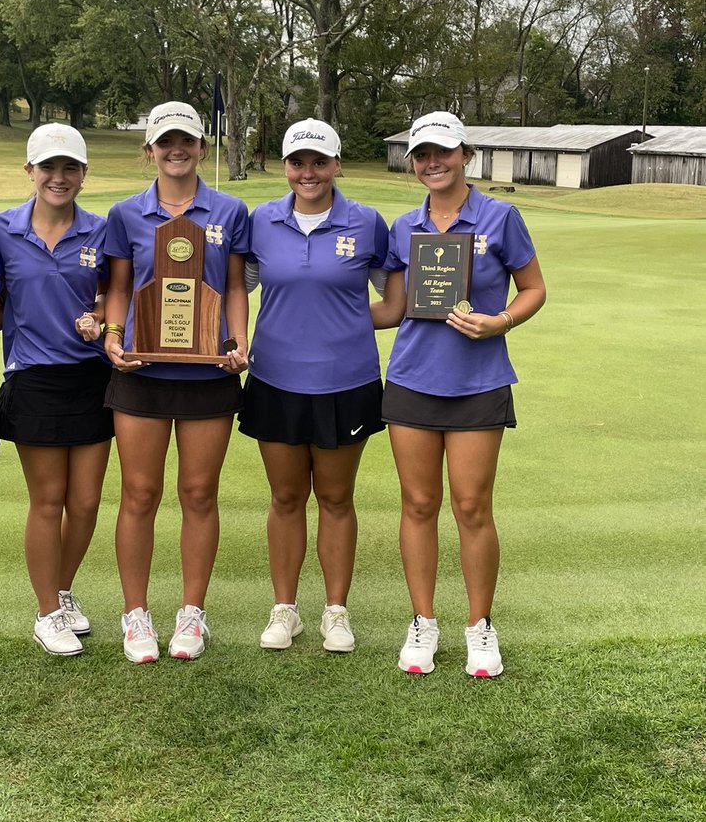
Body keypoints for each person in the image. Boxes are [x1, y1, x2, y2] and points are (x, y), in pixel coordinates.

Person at [372, 111, 546, 677]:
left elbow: (534, 288)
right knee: (419, 504)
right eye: (421, 154)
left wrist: (503, 322)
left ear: (464, 154)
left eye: (442, 152)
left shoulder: (500, 215)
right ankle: (423, 622)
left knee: (472, 507)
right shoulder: (403, 228)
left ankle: (480, 626)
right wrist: (321, 309)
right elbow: (394, 308)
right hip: (412, 380)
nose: (431, 163)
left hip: (478, 382)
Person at [103, 101, 249, 663]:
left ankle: (192, 612)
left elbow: (235, 285)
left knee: (197, 493)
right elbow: (119, 286)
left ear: (202, 147)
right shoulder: (124, 214)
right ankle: (135, 615)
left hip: (207, 371)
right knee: (139, 493)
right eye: (165, 142)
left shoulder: (230, 211)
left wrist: (238, 340)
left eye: (186, 140)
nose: (176, 149)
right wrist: (114, 335)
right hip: (140, 370)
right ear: (150, 151)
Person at [239, 118, 389, 652]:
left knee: (335, 497)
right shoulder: (260, 222)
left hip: (346, 380)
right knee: (284, 497)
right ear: (285, 167)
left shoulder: (367, 223)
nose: (309, 172)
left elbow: (392, 301)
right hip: (275, 377)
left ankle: (335, 612)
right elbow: (242, 286)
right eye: (298, 162)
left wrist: (341, 321)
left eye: (319, 162)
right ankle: (285, 611)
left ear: (337, 165)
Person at [0, 124, 112, 658]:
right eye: (49, 167)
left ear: (83, 173)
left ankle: (60, 592)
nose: (59, 178)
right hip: (33, 377)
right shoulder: (1, 229)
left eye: (70, 168)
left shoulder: (101, 231)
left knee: (84, 503)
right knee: (48, 499)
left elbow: (113, 297)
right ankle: (45, 613)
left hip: (93, 379)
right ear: (30, 171)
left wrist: (100, 318)